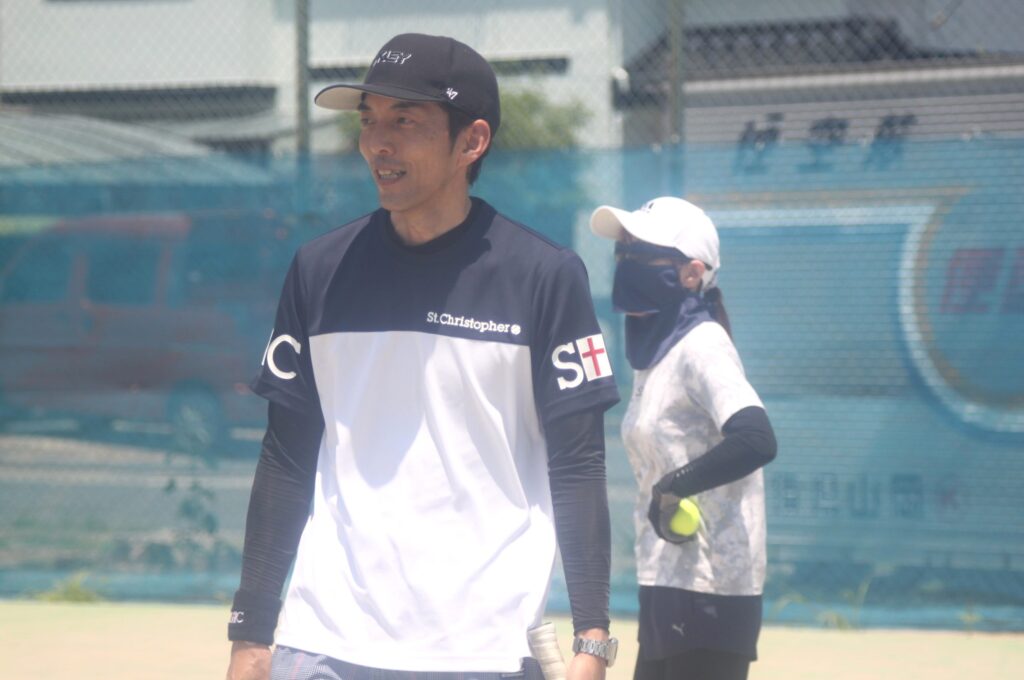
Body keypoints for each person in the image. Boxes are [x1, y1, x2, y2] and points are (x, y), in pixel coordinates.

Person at [225, 33, 621, 680]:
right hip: (324, 640)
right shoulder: (319, 269)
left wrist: (593, 636)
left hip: (484, 649)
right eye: (369, 120)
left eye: (404, 121)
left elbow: (577, 463)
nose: (377, 143)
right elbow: (286, 457)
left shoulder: (546, 276)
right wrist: (250, 632)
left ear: (472, 141)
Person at [589, 197, 778, 680]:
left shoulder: (704, 345)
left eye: (641, 253)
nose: (625, 261)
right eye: (623, 250)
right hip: (667, 578)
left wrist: (672, 488)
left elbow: (756, 438)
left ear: (693, 273)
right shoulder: (659, 352)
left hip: (711, 588)